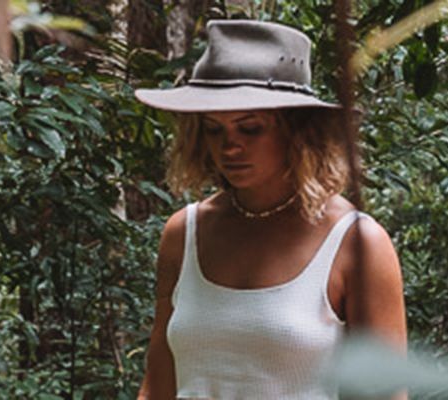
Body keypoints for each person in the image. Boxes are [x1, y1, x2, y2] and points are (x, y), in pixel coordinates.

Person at [133, 20, 407, 399]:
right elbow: (157, 386)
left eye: (251, 128)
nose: (230, 147)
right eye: (214, 129)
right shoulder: (184, 233)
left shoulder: (356, 243)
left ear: (298, 131)